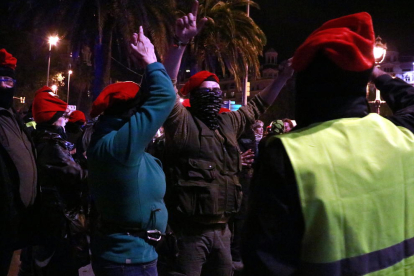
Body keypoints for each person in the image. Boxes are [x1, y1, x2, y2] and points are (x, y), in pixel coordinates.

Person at [243, 12, 414, 275]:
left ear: (308, 82)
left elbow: (266, 264)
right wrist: (374, 71)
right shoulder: (402, 136)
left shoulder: (285, 155)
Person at [161, 2, 293, 275]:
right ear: (194, 98)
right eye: (207, 93)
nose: (214, 96)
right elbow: (166, 86)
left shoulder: (228, 122)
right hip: (190, 236)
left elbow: (258, 105)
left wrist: (281, 78)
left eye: (217, 91)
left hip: (224, 230)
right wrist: (180, 43)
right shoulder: (183, 122)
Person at [86, 26, 176, 276]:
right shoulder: (117, 147)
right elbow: (164, 96)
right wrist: (150, 60)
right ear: (130, 111)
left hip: (136, 256)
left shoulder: (118, 142)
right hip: (127, 262)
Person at [31, 86, 88, 276]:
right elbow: (77, 175)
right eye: (62, 117)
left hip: (50, 219)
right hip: (60, 221)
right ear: (54, 120)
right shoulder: (53, 146)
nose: (65, 121)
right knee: (61, 267)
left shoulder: (40, 139)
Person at [0, 49, 37, 276]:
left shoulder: (13, 117)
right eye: (0, 79)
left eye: (9, 80)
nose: (5, 86)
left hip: (13, 226)